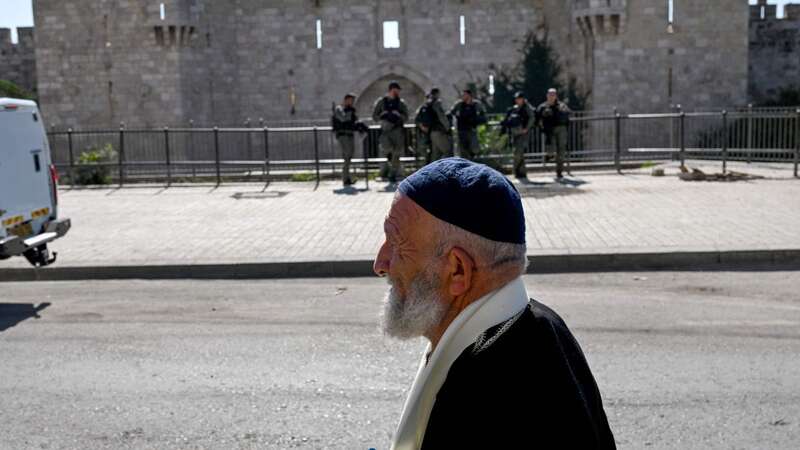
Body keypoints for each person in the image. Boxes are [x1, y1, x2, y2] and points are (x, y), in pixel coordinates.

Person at [374, 157, 616, 450]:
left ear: (458, 270)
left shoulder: (486, 393)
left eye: (397, 244)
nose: (380, 263)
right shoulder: (536, 323)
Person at [373, 81, 409, 183]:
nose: (397, 92)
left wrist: (398, 114)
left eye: (398, 91)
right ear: (390, 90)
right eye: (395, 90)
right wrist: (382, 115)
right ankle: (390, 158)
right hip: (385, 130)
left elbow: (406, 117)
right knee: (387, 148)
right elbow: (374, 116)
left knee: (397, 153)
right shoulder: (381, 102)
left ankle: (392, 174)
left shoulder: (401, 103)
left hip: (397, 130)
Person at [536, 88, 572, 179]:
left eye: (553, 95)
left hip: (561, 129)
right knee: (551, 149)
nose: (552, 96)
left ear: (556, 96)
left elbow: (568, 115)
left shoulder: (562, 106)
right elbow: (537, 118)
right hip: (549, 130)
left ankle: (559, 171)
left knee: (561, 150)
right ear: (547, 95)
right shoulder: (543, 107)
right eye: (550, 94)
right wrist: (542, 127)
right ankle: (549, 157)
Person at [332, 93, 367, 185]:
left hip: (350, 135)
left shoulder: (350, 110)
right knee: (347, 156)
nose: (352, 102)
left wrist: (360, 125)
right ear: (346, 100)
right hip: (343, 135)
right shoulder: (339, 109)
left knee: (349, 156)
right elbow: (343, 119)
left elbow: (353, 122)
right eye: (351, 100)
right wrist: (350, 112)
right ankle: (345, 179)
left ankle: (347, 178)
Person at [501, 91, 536, 179]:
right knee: (519, 153)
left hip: (523, 133)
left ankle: (516, 171)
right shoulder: (514, 108)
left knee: (518, 152)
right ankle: (521, 173)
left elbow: (532, 118)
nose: (518, 100)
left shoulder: (527, 108)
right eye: (517, 99)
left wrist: (526, 128)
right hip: (514, 133)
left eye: (519, 99)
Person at [448, 89, 487, 160]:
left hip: (472, 130)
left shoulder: (476, 104)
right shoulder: (459, 104)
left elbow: (483, 116)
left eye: (465, 95)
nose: (463, 96)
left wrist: (476, 120)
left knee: (474, 149)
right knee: (463, 151)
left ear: (469, 95)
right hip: (461, 131)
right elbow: (450, 113)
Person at [415, 88, 452, 163]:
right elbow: (442, 117)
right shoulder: (436, 103)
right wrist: (448, 128)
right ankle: (447, 170)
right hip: (438, 131)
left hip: (431, 132)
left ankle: (433, 172)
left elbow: (417, 119)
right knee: (448, 151)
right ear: (437, 94)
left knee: (436, 154)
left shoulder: (426, 105)